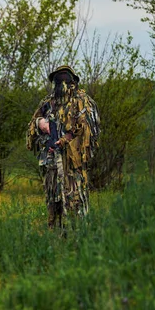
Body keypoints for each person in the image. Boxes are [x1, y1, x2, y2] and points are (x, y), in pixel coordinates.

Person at [26, 65, 100, 232]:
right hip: (51, 167)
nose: (62, 82)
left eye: (65, 78)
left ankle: (78, 243)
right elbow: (31, 129)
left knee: (75, 207)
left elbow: (89, 131)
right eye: (58, 78)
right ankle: (57, 243)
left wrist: (66, 139)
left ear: (73, 80)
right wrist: (40, 124)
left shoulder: (82, 101)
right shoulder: (47, 103)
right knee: (54, 208)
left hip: (73, 169)